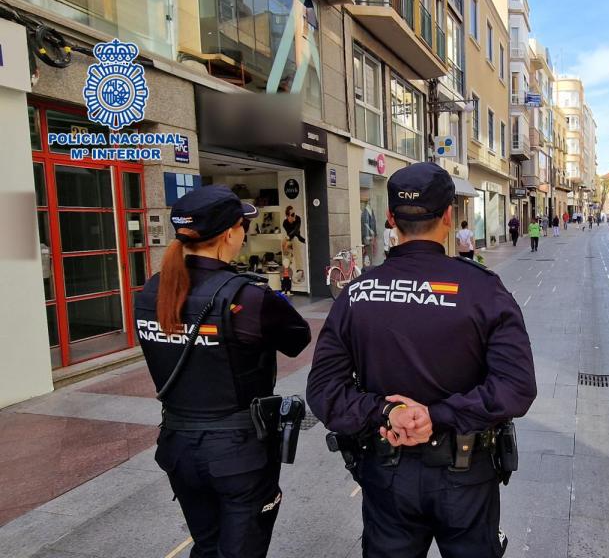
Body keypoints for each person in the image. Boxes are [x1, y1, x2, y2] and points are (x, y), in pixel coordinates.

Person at [307, 162, 537, 558]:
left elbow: (324, 390)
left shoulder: (357, 293)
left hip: (386, 471)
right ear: (449, 215)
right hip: (465, 474)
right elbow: (516, 387)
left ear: (391, 219)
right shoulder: (482, 289)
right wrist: (438, 416)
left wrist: (387, 412)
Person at [135, 185, 311, 558]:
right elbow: (297, 338)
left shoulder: (152, 290)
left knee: (207, 545)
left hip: (177, 445)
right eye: (241, 226)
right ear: (230, 233)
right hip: (237, 454)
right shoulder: (247, 296)